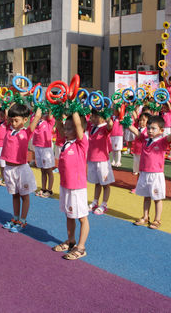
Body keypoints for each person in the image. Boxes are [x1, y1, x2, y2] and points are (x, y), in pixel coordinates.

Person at [52, 112, 89, 260]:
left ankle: (81, 247)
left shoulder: (81, 142)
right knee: (69, 214)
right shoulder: (66, 142)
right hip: (65, 185)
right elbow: (59, 126)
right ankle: (71, 240)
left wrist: (73, 108)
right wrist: (57, 109)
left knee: (82, 217)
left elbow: (78, 125)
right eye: (66, 129)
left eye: (70, 129)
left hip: (77, 187)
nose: (66, 131)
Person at [1, 104, 42, 233]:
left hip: (21, 169)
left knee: (24, 196)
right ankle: (16, 218)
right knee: (14, 195)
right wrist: (19, 96)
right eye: (12, 120)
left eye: (16, 120)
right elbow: (8, 112)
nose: (13, 123)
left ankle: (23, 220)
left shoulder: (26, 132)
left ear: (25, 120)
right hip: (9, 169)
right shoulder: (8, 129)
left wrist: (38, 107)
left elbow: (35, 119)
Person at [127, 115, 171, 229]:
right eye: (148, 128)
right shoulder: (145, 138)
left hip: (156, 174)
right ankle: (145, 216)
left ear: (161, 130)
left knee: (157, 199)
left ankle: (157, 220)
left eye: (153, 128)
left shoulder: (162, 141)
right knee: (146, 197)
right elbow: (133, 130)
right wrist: (124, 118)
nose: (150, 131)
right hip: (144, 173)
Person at [87, 110, 114, 215]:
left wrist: (107, 115)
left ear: (102, 117)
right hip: (92, 159)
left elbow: (110, 125)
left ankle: (104, 204)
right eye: (92, 116)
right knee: (97, 183)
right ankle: (95, 201)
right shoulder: (91, 126)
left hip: (102, 161)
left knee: (105, 184)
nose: (93, 118)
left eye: (96, 116)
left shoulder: (104, 128)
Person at [32, 110, 55, 198]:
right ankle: (43, 188)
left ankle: (49, 190)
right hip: (38, 147)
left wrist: (50, 103)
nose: (44, 114)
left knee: (48, 170)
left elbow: (50, 115)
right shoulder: (36, 120)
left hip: (46, 148)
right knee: (42, 170)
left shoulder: (49, 122)